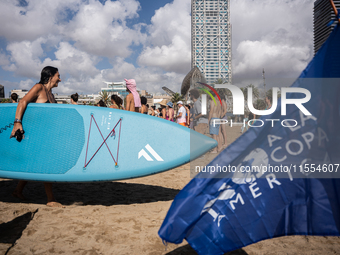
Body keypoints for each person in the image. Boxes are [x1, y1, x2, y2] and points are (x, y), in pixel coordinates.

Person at [10, 66, 64, 208]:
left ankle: (17, 190)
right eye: (58, 75)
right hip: (38, 135)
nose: (60, 78)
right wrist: (17, 123)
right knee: (46, 163)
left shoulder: (51, 94)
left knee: (32, 164)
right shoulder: (39, 87)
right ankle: (51, 199)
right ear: (50, 76)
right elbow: (23, 102)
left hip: (47, 135)